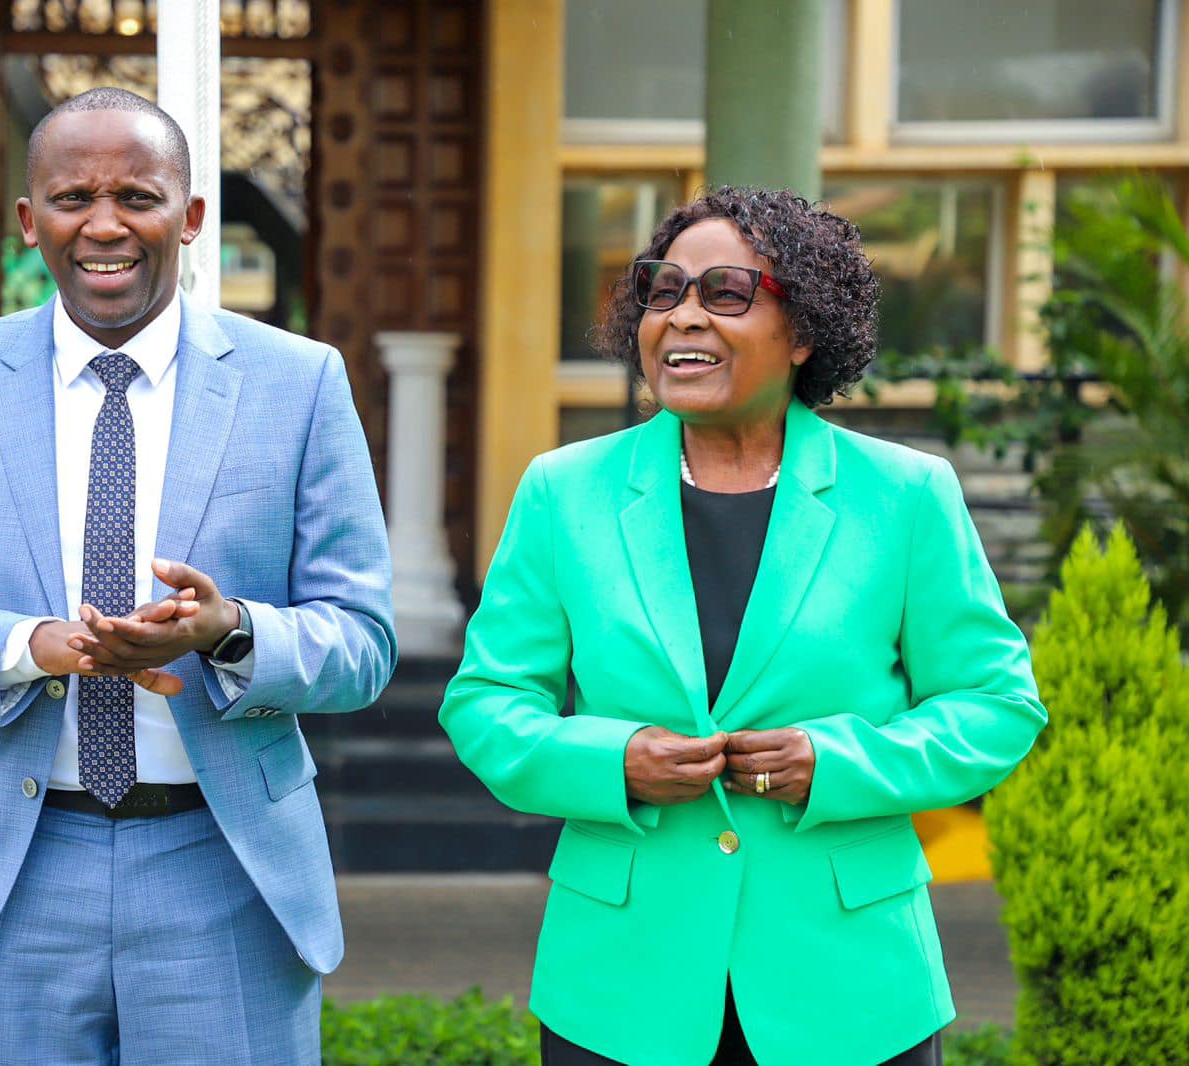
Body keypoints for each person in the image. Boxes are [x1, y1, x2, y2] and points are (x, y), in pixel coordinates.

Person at [0, 88, 395, 1065]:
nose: (103, 224)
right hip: (9, 873)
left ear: (190, 217)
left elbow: (362, 640)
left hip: (223, 870)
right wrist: (30, 647)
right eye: (72, 197)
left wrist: (226, 630)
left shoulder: (299, 382)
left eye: (137, 195)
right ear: (28, 220)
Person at [439, 187, 1045, 1066]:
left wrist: (833, 764)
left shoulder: (907, 496)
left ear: (803, 333)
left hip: (849, 984)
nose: (684, 316)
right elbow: (488, 705)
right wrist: (615, 763)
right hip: (622, 981)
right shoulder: (562, 491)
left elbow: (996, 705)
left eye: (725, 293)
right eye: (663, 290)